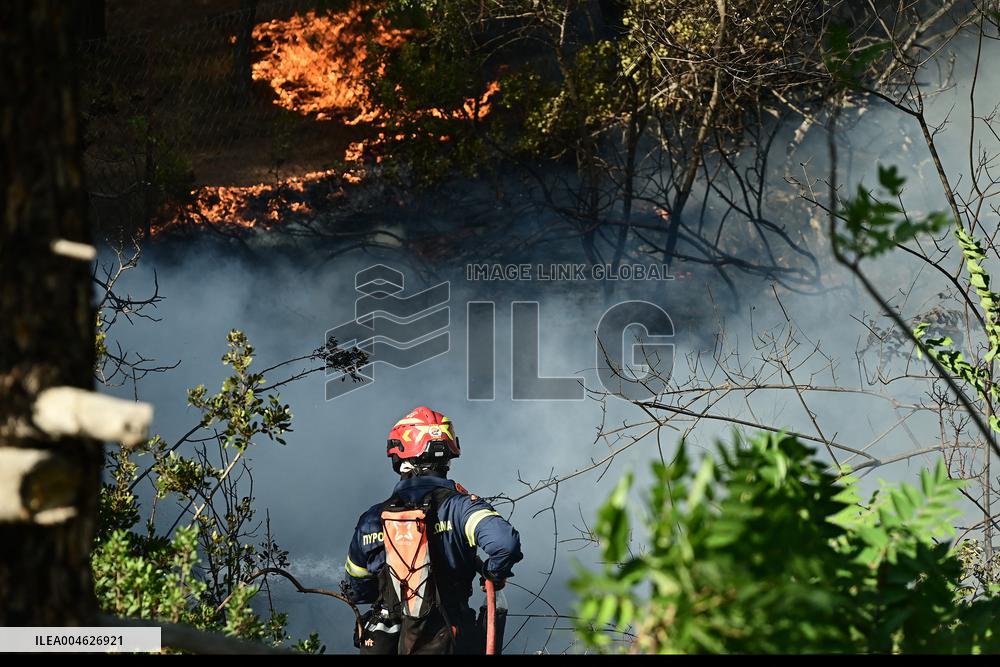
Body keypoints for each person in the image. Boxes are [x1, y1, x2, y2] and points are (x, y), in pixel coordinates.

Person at [343, 406, 523, 654]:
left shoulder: (373, 519)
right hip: (448, 635)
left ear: (401, 457)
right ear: (448, 455)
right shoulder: (461, 508)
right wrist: (493, 573)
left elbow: (356, 589)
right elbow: (505, 544)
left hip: (388, 640)